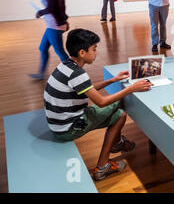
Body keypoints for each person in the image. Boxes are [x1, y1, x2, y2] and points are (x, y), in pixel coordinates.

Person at [44, 28, 152, 180]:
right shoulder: (78, 74)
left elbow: (86, 88)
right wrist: (131, 89)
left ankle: (115, 144)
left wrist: (112, 80)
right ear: (82, 52)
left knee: (119, 113)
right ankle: (103, 165)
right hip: (68, 128)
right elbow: (101, 102)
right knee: (120, 109)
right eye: (94, 49)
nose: (96, 53)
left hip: (58, 124)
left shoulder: (66, 66)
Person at [29, 0, 70, 80]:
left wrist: (39, 12)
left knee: (60, 52)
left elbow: (52, 8)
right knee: (43, 48)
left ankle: (74, 75)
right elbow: (61, 8)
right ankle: (41, 74)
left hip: (54, 27)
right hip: (52, 26)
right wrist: (65, 20)